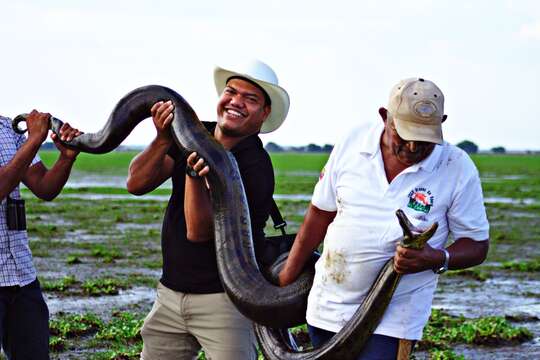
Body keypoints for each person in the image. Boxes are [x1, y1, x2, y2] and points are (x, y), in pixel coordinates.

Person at [279, 78, 490, 359]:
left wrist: (437, 258)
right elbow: (320, 212)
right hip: (327, 307)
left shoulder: (456, 166)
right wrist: (287, 275)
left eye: (424, 138)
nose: (413, 146)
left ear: (443, 122)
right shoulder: (353, 143)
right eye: (403, 134)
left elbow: (477, 244)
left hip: (394, 321)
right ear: (384, 116)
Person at [127, 59, 290, 360]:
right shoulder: (193, 134)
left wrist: (192, 176)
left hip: (226, 304)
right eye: (231, 92)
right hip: (169, 295)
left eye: (250, 98)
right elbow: (136, 182)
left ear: (264, 113)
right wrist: (163, 139)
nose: (236, 102)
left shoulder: (255, 166)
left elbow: (198, 231)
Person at [0, 110, 81, 359]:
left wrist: (66, 158)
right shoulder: (22, 134)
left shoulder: (7, 128)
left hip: (22, 278)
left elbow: (44, 186)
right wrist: (35, 139)